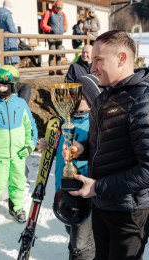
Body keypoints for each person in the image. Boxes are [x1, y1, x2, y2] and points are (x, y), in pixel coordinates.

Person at [62, 30, 149, 260]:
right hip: (102, 204)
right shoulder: (103, 98)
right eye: (92, 61)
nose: (92, 68)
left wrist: (98, 187)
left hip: (129, 210)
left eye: (98, 60)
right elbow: (107, 145)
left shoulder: (145, 101)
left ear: (121, 59)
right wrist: (81, 150)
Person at [40, 74, 101, 259]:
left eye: (79, 96)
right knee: (70, 228)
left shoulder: (96, 122)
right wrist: (48, 144)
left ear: (90, 99)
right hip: (63, 186)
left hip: (82, 190)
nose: (72, 99)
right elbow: (60, 150)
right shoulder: (63, 119)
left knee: (80, 245)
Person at [0, 65, 38, 226]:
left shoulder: (20, 103)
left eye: (4, 85)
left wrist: (30, 144)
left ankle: (16, 206)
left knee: (19, 182)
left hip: (19, 153)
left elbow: (30, 126)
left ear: (12, 86)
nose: (0, 88)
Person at [40, 0, 68, 76]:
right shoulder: (48, 12)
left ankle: (59, 70)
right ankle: (51, 70)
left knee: (59, 54)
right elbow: (42, 24)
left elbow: (65, 24)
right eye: (58, 8)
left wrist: (64, 29)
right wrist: (51, 29)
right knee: (52, 53)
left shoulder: (62, 14)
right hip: (51, 36)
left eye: (60, 8)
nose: (59, 10)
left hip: (60, 36)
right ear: (55, 6)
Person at [0, 0, 19, 67]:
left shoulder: (0, 15)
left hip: (4, 40)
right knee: (11, 61)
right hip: (10, 40)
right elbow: (12, 28)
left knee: (5, 59)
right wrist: (18, 37)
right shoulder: (7, 14)